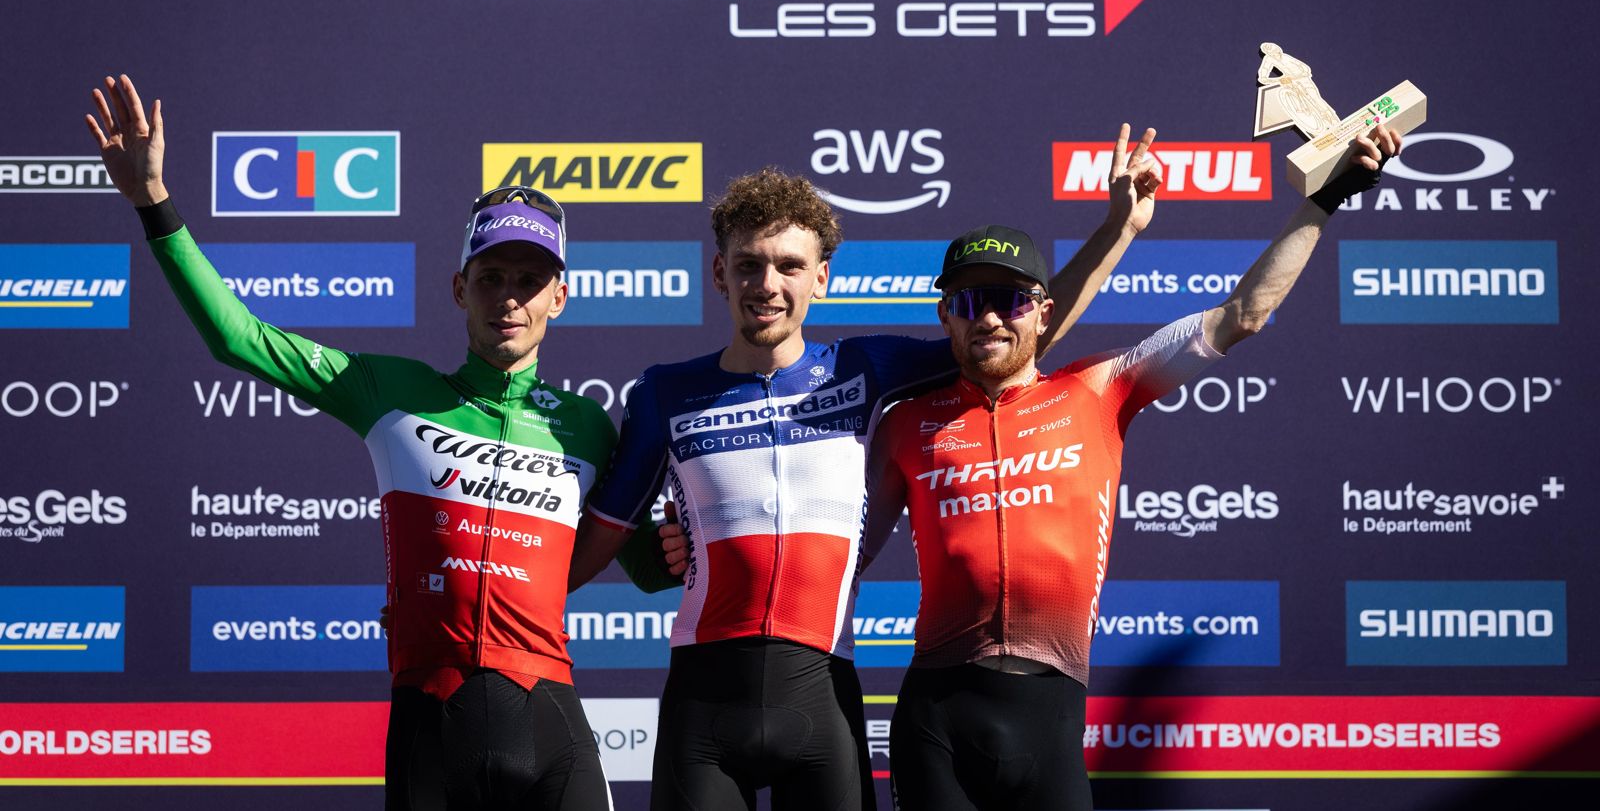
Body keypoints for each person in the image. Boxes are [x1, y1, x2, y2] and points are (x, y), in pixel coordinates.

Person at [84, 74, 669, 811]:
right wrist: (153, 202)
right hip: (431, 719)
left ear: (560, 295)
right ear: (459, 288)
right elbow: (238, 338)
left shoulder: (585, 424)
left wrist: (694, 536)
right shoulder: (388, 388)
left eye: (529, 280)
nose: (509, 297)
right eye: (491, 277)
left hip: (552, 719)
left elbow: (642, 566)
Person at [563, 128, 1163, 811]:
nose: (768, 285)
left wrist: (1119, 228)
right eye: (750, 264)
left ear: (821, 277)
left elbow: (1012, 333)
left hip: (823, 699)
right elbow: (607, 538)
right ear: (720, 273)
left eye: (790, 265)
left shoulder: (865, 369)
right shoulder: (663, 393)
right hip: (703, 709)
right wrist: (655, 555)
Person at [861, 126, 1404, 811]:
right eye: (970, 302)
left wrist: (1325, 199)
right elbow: (842, 555)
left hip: (1051, 717)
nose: (990, 318)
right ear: (946, 315)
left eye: (1011, 300)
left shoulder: (1099, 387)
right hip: (934, 719)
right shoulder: (907, 421)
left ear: (1043, 312)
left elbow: (1243, 314)